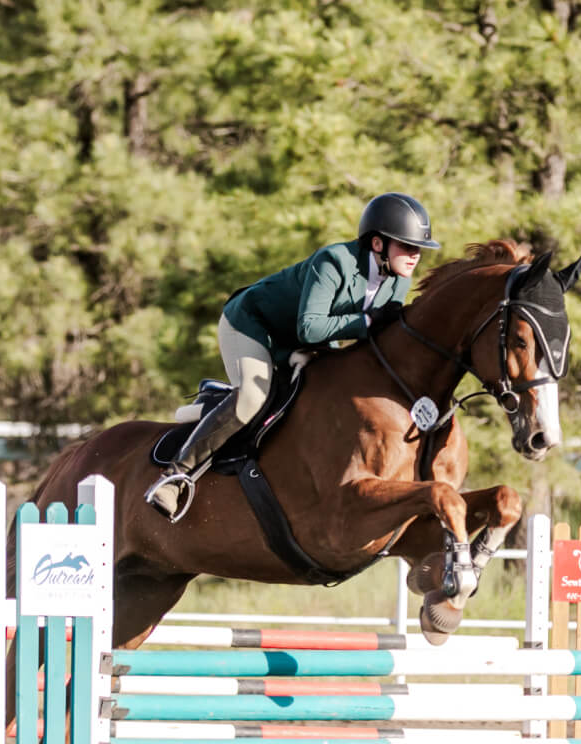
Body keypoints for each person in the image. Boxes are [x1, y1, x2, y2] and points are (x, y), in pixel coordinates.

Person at [145, 192, 442, 521]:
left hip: (304, 339)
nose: (415, 255)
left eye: (418, 248)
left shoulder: (398, 281)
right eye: (407, 246)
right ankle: (174, 476)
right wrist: (368, 322)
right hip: (253, 325)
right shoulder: (335, 261)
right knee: (253, 397)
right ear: (377, 244)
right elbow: (311, 329)